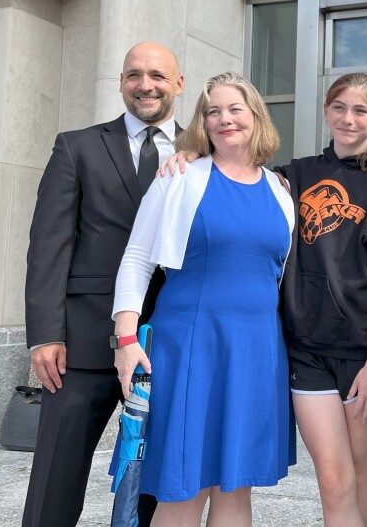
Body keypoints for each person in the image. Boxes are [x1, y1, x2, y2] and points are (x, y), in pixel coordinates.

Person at [112, 72, 295, 527]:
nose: (224, 119)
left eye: (235, 109)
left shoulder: (280, 189)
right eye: (213, 111)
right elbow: (137, 258)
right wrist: (126, 337)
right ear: (202, 121)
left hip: (256, 349)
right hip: (191, 345)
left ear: (256, 116)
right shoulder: (178, 177)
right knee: (183, 487)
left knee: (236, 488)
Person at [23, 41, 183, 527]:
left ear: (178, 84)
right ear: (120, 82)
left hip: (171, 341)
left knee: (155, 486)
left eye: (157, 75)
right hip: (83, 343)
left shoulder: (205, 153)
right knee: (56, 477)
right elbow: (49, 245)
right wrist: (45, 334)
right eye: (134, 74)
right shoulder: (78, 146)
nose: (145, 85)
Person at [274, 72, 367, 527]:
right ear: (326, 111)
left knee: (358, 471)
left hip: (363, 353)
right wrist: (191, 155)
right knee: (333, 479)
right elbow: (236, 173)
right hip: (307, 348)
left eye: (360, 110)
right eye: (339, 107)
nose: (348, 118)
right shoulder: (297, 174)